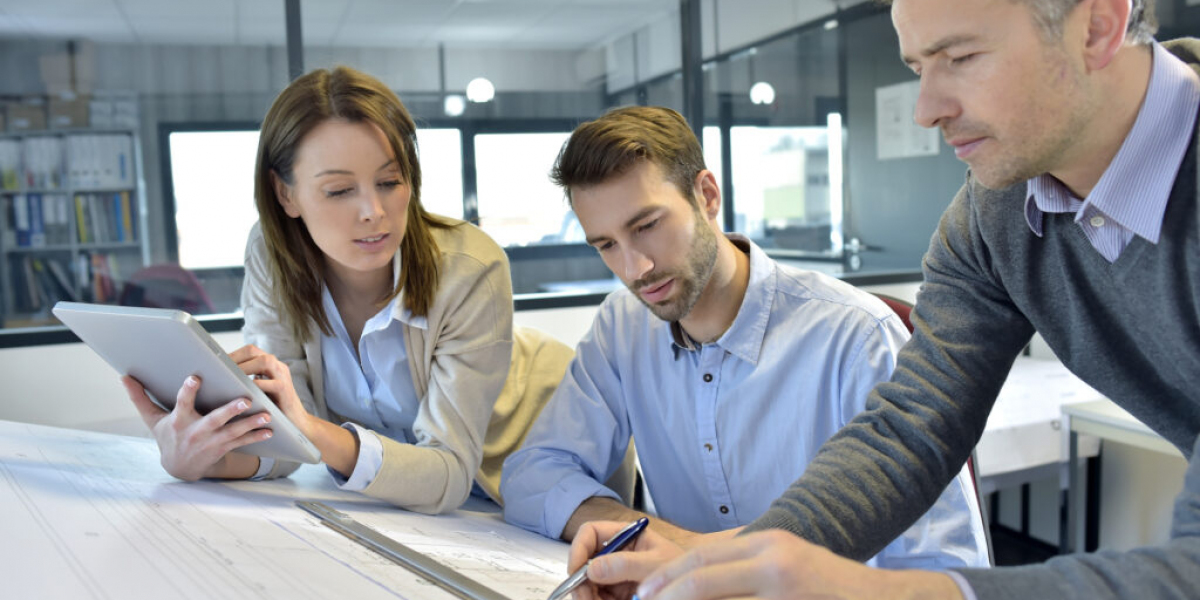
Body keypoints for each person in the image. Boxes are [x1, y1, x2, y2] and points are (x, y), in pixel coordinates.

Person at [572, 0, 1200, 599]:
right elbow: (910, 428)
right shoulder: (996, 214)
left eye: (960, 57)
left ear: (1097, 26)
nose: (925, 109)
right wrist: (719, 570)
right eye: (917, 67)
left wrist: (877, 591)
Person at [499, 105, 989, 578]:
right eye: (606, 245)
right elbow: (532, 477)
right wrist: (659, 539)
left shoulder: (856, 338)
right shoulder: (623, 327)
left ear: (707, 195)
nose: (635, 269)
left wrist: (701, 554)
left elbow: (946, 568)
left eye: (646, 226)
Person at [121, 65, 576, 514]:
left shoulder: (470, 267)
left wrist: (308, 430)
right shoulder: (272, 253)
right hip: (402, 493)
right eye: (339, 190)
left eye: (389, 181)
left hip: (526, 460)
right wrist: (197, 457)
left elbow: (449, 474)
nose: (373, 211)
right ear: (286, 195)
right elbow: (282, 442)